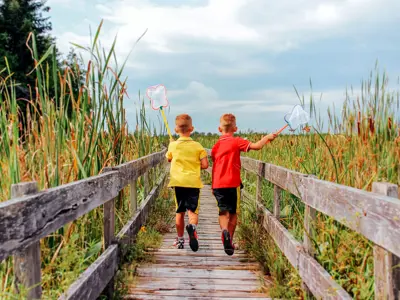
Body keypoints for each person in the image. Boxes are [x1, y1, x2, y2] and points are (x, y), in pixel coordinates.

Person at [211, 113, 277, 255]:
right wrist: (267, 137)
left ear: (219, 129)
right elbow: (257, 146)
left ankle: (224, 231)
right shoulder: (237, 141)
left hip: (217, 184)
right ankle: (230, 240)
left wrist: (212, 186)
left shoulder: (216, 146)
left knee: (223, 211)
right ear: (235, 128)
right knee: (233, 213)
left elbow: (215, 164)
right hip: (233, 183)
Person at [166, 114, 209, 251]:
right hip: (193, 183)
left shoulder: (173, 145)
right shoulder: (198, 146)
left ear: (176, 129)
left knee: (180, 212)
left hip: (178, 182)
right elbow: (205, 165)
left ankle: (179, 240)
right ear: (192, 128)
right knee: (192, 212)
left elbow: (169, 159)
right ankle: (192, 227)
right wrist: (195, 165)